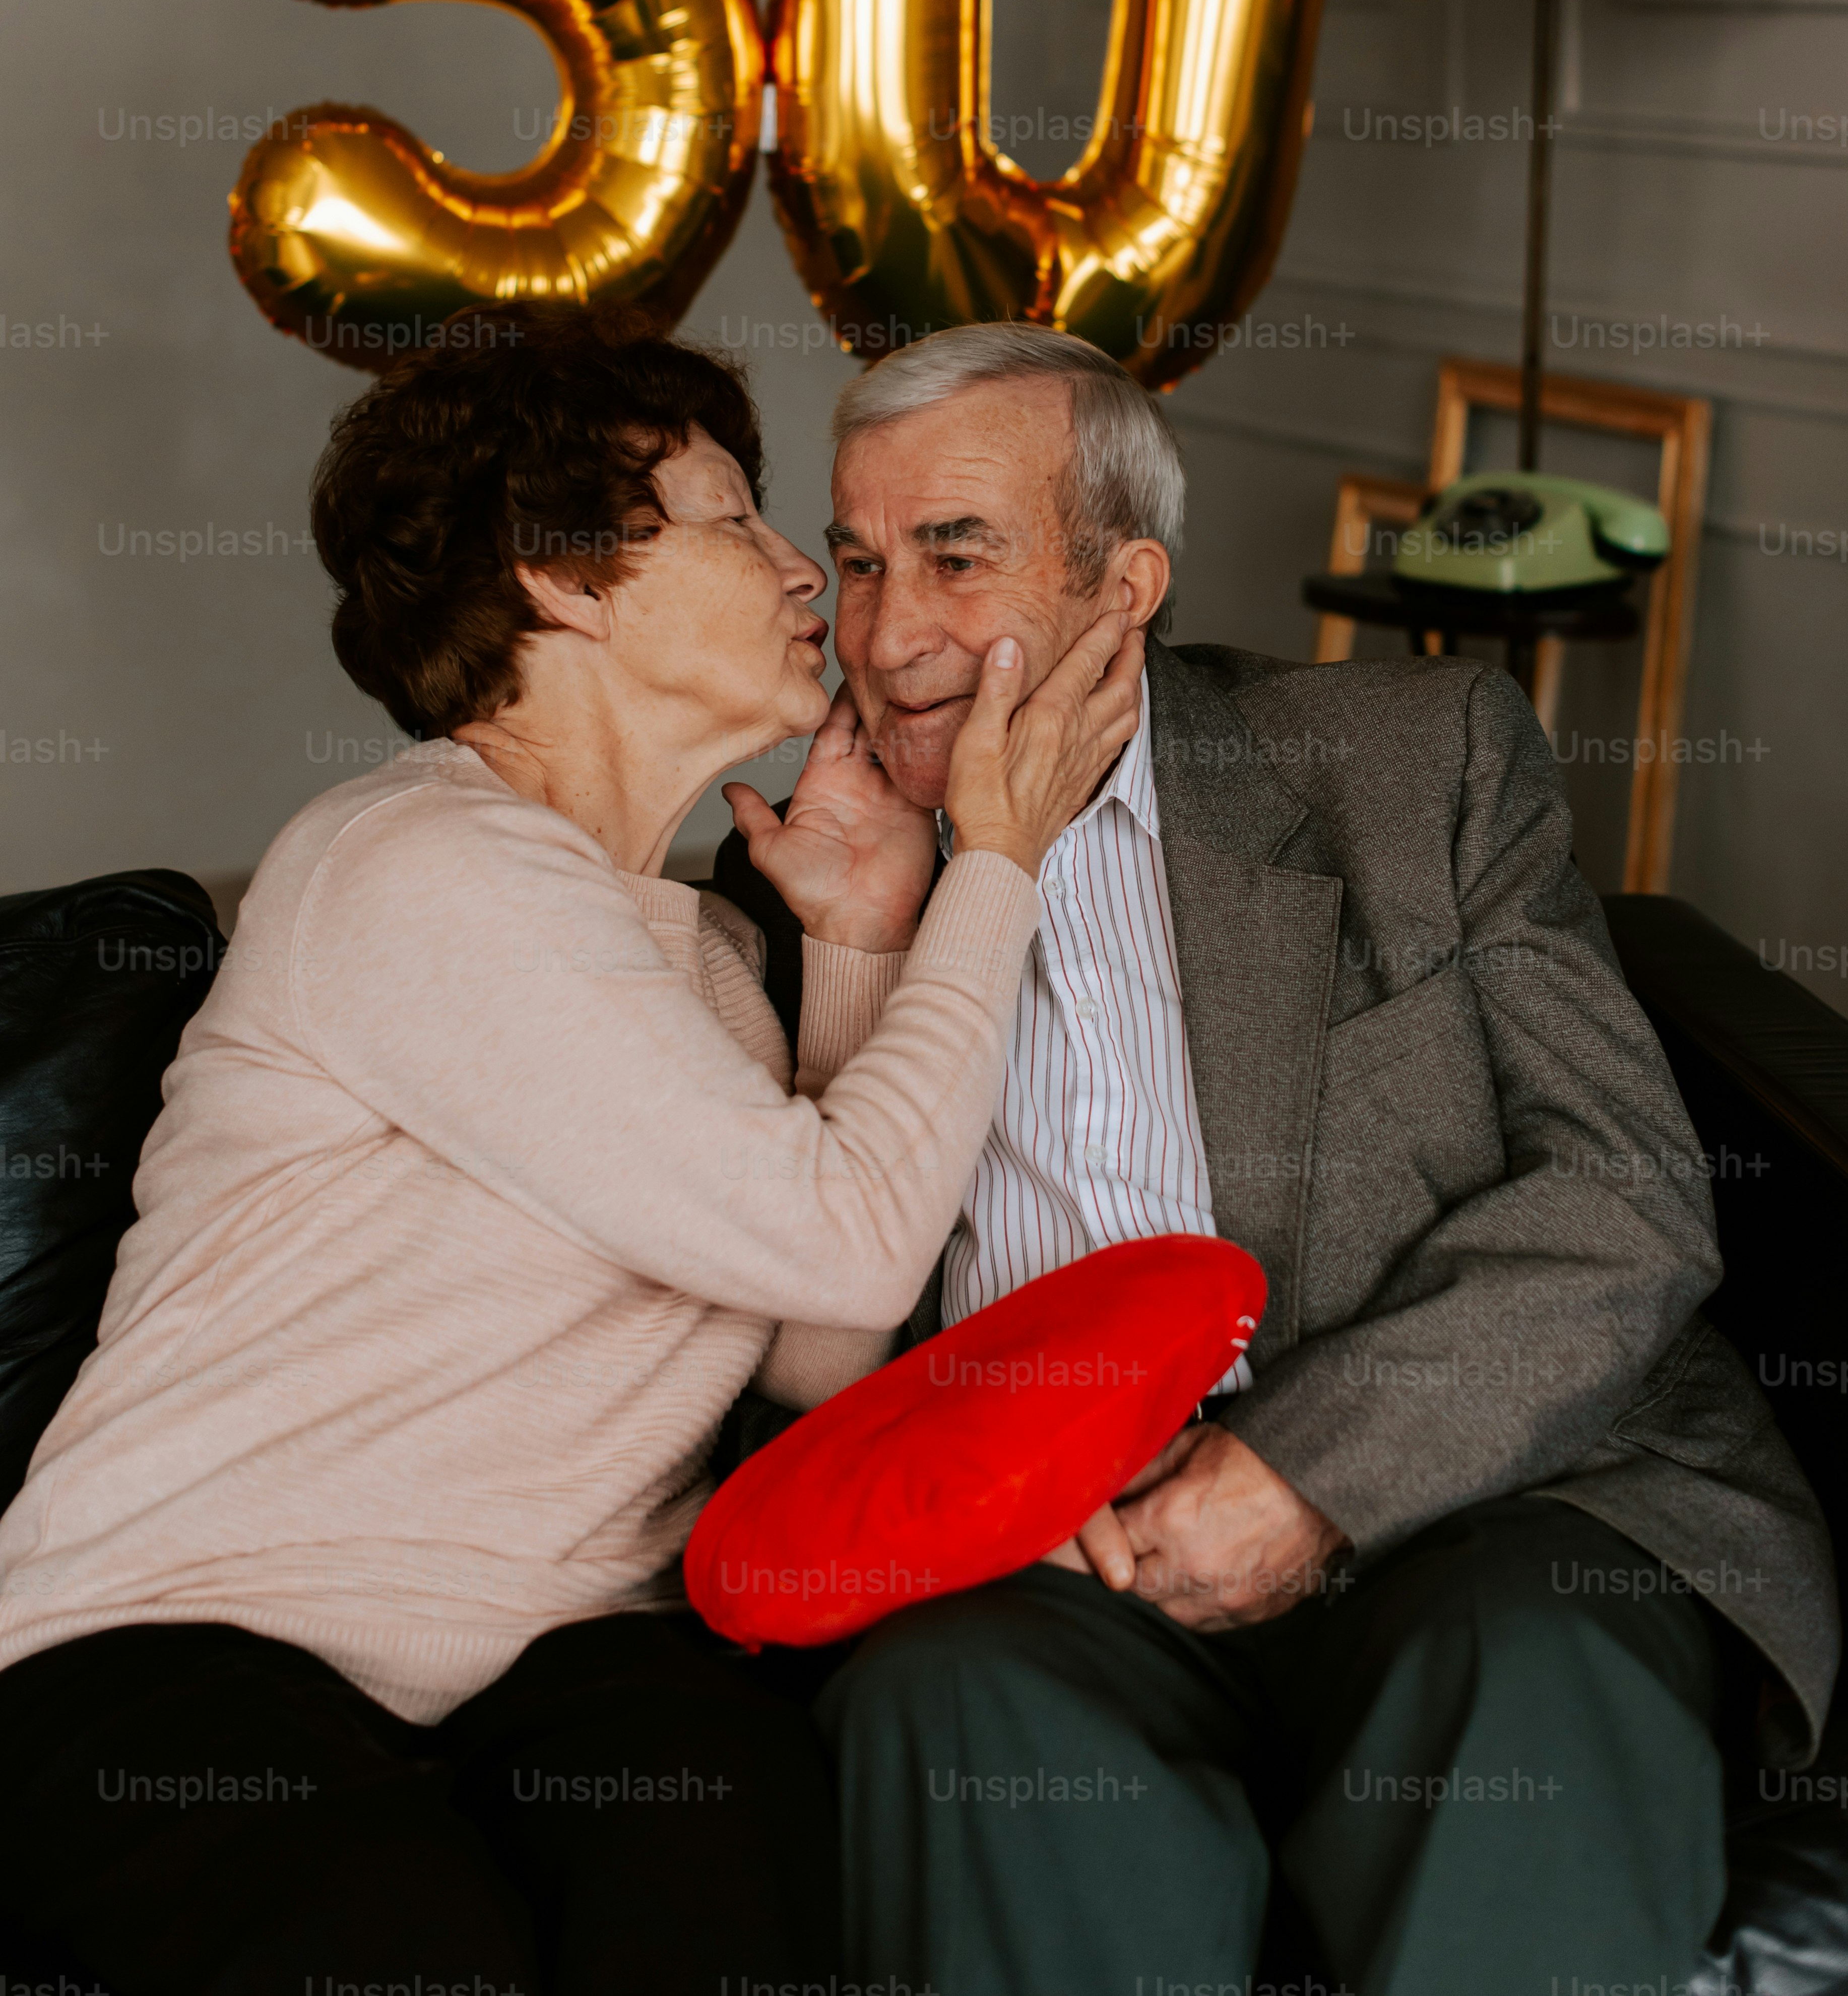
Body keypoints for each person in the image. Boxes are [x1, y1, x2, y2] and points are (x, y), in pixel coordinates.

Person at [0, 302, 1141, 1996]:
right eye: (732, 517)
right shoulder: (415, 864)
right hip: (194, 1634)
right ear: (561, 580)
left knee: (723, 1915)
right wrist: (999, 862)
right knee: (415, 1958)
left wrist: (857, 937)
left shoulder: (696, 956)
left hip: (573, 1651)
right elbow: (847, 1241)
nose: (803, 573)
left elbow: (822, 1351)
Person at [715, 319, 1840, 1996]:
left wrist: (1306, 1473)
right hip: (1052, 1549)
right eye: (858, 561)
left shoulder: (1406, 766)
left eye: (958, 558)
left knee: (1524, 1667)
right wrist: (865, 948)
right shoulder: (800, 884)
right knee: (948, 1701)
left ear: (1125, 584)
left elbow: (1620, 1196)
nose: (884, 635)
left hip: (1476, 1490)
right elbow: (815, 1356)